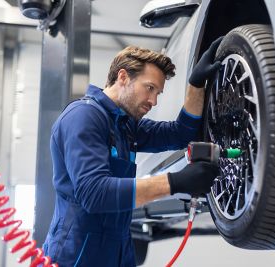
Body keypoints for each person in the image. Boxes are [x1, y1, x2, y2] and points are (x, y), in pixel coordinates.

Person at [43, 37, 223, 266]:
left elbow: (179, 134)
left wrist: (196, 84)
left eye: (158, 93)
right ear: (123, 77)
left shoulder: (125, 125)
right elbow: (94, 193)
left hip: (118, 250)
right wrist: (174, 182)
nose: (154, 101)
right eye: (150, 88)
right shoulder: (84, 117)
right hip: (77, 254)